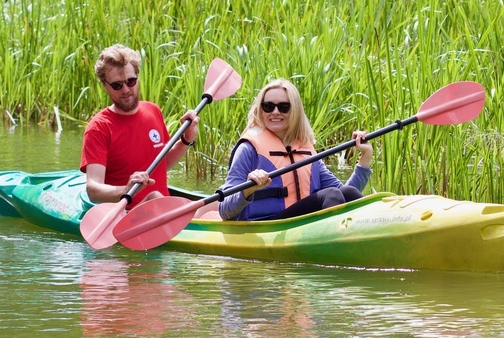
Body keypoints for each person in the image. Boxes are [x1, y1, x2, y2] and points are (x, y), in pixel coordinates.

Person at [218, 78, 373, 221]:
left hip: (298, 224)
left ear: (295, 111)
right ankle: (342, 243)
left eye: (284, 107)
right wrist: (248, 189)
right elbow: (225, 210)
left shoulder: (305, 149)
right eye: (268, 106)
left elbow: (345, 196)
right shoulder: (248, 149)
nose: (275, 112)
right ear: (261, 110)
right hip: (266, 226)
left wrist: (365, 158)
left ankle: (366, 230)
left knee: (349, 193)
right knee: (331, 194)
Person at [80, 44, 199, 208]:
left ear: (137, 77)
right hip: (126, 215)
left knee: (212, 205)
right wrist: (127, 190)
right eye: (117, 85)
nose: (126, 90)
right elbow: (93, 190)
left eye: (131, 81)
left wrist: (186, 140)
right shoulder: (99, 128)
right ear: (105, 86)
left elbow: (162, 164)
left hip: (163, 211)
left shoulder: (153, 110)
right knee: (155, 196)